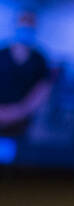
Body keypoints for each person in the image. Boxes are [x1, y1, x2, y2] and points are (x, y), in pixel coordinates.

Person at [0, 9, 55, 139]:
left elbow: (42, 90)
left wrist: (20, 111)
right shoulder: (2, 54)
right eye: (23, 25)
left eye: (30, 26)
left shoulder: (40, 59)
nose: (26, 29)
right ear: (16, 25)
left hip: (21, 121)